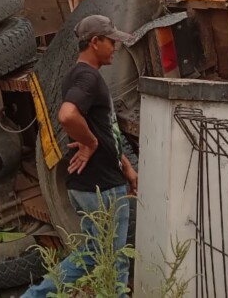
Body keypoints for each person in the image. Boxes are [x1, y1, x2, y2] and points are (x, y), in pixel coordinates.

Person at [22, 15, 139, 298]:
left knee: (96, 255)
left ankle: (34, 296)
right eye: (111, 41)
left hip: (95, 183)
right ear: (95, 42)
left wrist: (125, 166)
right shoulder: (87, 77)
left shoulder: (79, 75)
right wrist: (90, 142)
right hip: (102, 188)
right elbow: (67, 115)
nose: (115, 47)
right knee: (113, 263)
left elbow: (106, 129)